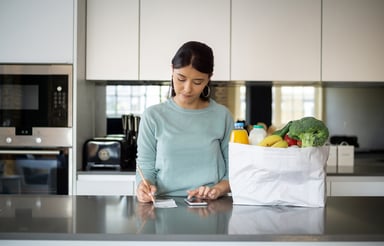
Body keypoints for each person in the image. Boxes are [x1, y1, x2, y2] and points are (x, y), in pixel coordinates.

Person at [136, 41, 234, 203]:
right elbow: (145, 166)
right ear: (172, 70)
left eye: (198, 82)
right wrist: (144, 187)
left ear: (209, 79)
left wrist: (217, 189)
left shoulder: (222, 116)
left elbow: (234, 168)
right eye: (181, 79)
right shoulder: (152, 116)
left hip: (210, 206)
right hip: (163, 205)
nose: (188, 88)